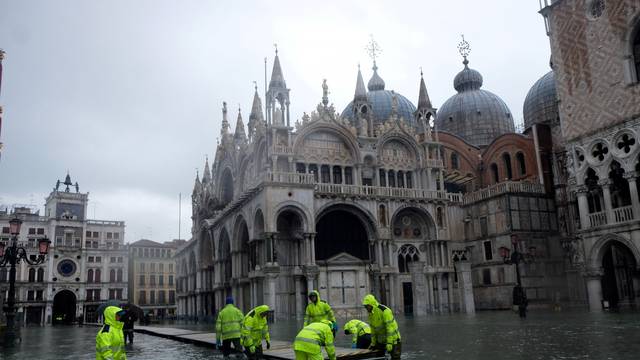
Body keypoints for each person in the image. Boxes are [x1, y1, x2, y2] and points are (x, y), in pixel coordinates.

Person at [362, 294, 401, 360]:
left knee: (395, 358)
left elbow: (390, 328)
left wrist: (389, 343)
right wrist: (373, 344)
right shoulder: (370, 313)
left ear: (371, 304)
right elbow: (373, 330)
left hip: (394, 340)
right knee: (379, 357)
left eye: (367, 306)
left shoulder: (384, 311)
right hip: (381, 340)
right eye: (365, 306)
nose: (366, 308)